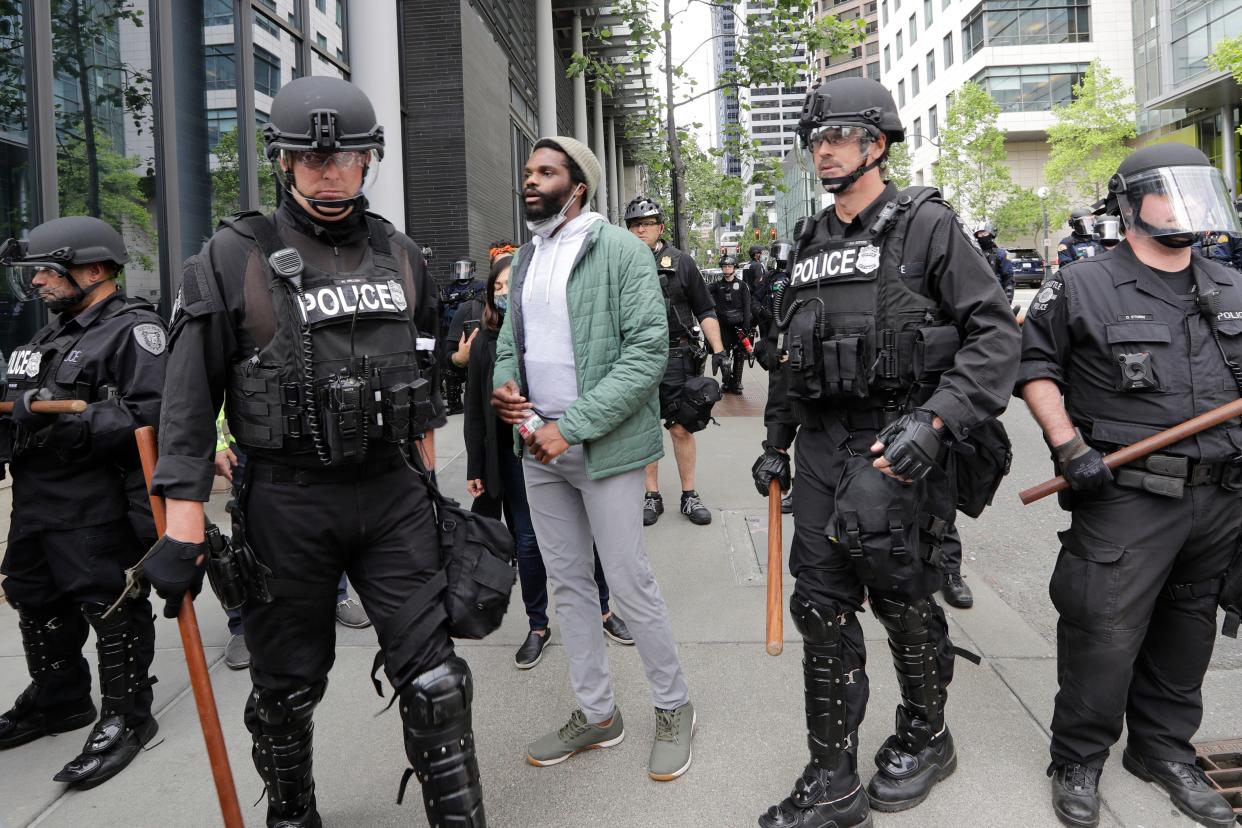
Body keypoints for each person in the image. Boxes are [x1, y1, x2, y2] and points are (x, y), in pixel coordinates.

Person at [143, 76, 486, 827]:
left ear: (370, 160)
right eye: (309, 157)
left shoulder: (401, 255)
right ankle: (292, 815)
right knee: (285, 694)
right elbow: (187, 405)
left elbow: (422, 369)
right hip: (287, 504)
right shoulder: (232, 256)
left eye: (345, 157)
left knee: (438, 684)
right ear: (283, 161)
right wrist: (182, 525)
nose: (328, 170)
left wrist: (430, 478)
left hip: (392, 494)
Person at [751, 77, 1020, 828]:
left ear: (876, 143)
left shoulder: (926, 226)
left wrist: (936, 423)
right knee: (819, 604)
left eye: (837, 137)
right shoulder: (809, 240)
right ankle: (832, 779)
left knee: (902, 597)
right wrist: (774, 443)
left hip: (897, 442)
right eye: (816, 140)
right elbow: (788, 355)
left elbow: (997, 336)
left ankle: (926, 735)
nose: (824, 151)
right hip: (820, 447)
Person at [1018, 144, 1242, 828]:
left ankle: (1162, 751)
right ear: (1129, 205)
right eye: (1170, 194)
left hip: (1220, 499)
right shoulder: (1083, 283)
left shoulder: (1231, 285)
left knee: (1188, 631)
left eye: (1197, 191)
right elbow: (1035, 369)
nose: (1189, 207)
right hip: (1128, 496)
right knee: (1102, 632)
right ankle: (1078, 757)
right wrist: (1068, 444)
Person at [491, 135, 696, 782]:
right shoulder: (524, 258)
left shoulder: (622, 252)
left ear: (577, 184)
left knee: (629, 583)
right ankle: (597, 712)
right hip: (537, 449)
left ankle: (674, 706)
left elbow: (645, 355)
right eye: (527, 170)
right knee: (570, 586)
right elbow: (508, 341)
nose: (531, 180)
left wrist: (569, 428)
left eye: (545, 171)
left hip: (602, 449)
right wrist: (510, 393)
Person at [0, 216, 167, 789]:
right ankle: (59, 699)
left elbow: (151, 416)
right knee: (33, 594)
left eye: (49, 269)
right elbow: (19, 406)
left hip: (94, 506)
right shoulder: (50, 335)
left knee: (109, 604)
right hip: (36, 502)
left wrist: (63, 423)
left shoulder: (134, 330)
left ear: (93, 270)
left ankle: (127, 716)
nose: (39, 282)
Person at [461, 248, 633, 669]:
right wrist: (475, 468)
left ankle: (604, 610)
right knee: (529, 543)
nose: (503, 294)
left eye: (509, 287)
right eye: (496, 288)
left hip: (564, 443)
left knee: (589, 536)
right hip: (513, 457)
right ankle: (537, 624)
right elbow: (473, 412)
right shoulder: (483, 342)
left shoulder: (544, 329)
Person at [212, 423, 371, 673]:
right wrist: (217, 443)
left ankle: (338, 596)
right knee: (248, 531)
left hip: (309, 433)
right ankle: (242, 624)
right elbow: (204, 393)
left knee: (325, 513)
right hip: (246, 436)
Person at [624, 195, 727, 527]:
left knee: (681, 427)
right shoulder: (620, 262)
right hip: (636, 357)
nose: (640, 230)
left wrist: (719, 349)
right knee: (643, 429)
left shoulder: (681, 262)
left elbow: (705, 308)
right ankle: (651, 495)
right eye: (634, 225)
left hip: (677, 354)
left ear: (660, 228)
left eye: (646, 224)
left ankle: (689, 494)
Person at [440, 259, 481, 415]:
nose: (461, 271)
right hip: (450, 330)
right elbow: (442, 300)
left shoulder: (478, 285)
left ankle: (474, 401)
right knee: (449, 366)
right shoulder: (450, 288)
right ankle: (454, 403)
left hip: (469, 329)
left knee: (472, 366)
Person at [709, 253, 751, 394]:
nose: (727, 269)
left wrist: (747, 325)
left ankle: (737, 382)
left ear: (734, 267)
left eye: (729, 266)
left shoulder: (742, 285)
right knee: (723, 355)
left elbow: (747, 307)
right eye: (725, 266)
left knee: (739, 354)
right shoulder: (716, 285)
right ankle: (726, 382)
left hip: (738, 325)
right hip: (723, 326)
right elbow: (701, 292)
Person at [973, 220, 1014, 301]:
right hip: (976, 295)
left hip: (996, 296)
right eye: (980, 233)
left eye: (985, 233)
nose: (982, 236)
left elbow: (1008, 278)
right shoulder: (972, 252)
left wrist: (1008, 299)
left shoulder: (1000, 254)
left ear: (991, 234)